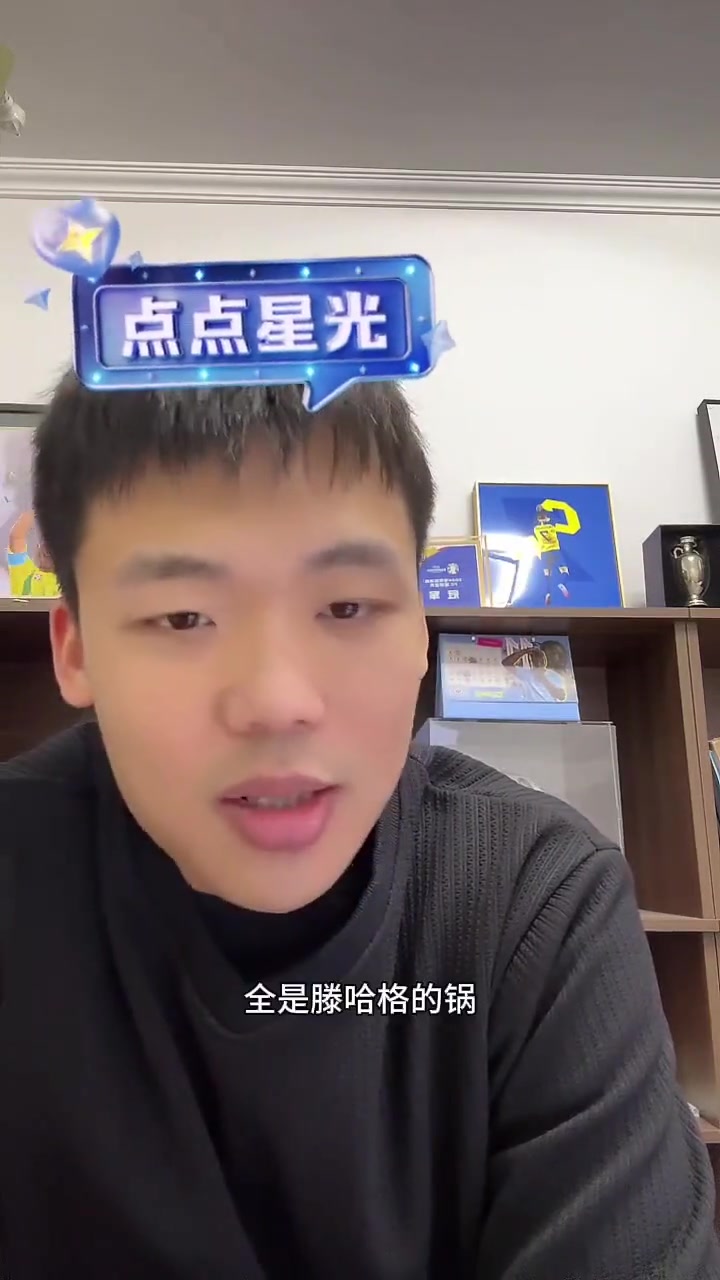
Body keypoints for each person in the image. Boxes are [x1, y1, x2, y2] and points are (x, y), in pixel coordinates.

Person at [0, 371, 717, 1280]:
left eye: (345, 607)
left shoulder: (536, 898)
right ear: (74, 647)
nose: (278, 702)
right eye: (183, 616)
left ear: (420, 625)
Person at [6, 507, 60, 597]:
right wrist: (38, 507)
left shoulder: (72, 582)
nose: (48, 549)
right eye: (45, 543)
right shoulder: (24, 572)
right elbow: (16, 537)